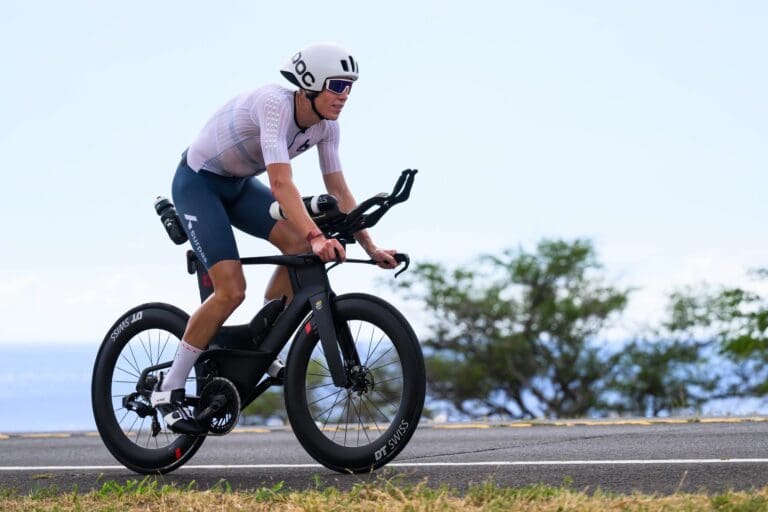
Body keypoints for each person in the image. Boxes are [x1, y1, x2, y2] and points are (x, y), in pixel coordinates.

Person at [150, 42, 398, 434]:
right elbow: (281, 183)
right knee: (231, 290)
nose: (345, 95)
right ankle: (169, 388)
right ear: (310, 83)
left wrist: (371, 245)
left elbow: (340, 190)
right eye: (337, 85)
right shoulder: (275, 106)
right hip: (199, 184)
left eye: (350, 86)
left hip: (237, 185)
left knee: (300, 248)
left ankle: (265, 334)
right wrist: (317, 235)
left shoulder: (327, 127)